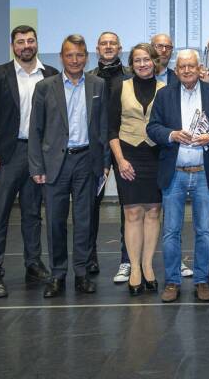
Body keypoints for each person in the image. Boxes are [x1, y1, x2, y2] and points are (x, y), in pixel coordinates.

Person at [0, 25, 57, 298]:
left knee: (33, 214)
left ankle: (33, 264)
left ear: (37, 43)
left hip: (39, 157)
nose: (26, 45)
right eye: (20, 42)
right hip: (7, 156)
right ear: (13, 46)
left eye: (30, 41)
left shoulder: (52, 75)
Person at [29, 35, 109, 297]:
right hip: (55, 164)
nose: (75, 60)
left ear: (87, 57)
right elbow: (36, 129)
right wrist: (37, 166)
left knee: (85, 221)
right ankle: (58, 274)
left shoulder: (98, 84)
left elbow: (104, 127)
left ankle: (82, 273)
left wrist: (105, 163)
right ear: (62, 57)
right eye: (69, 55)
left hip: (87, 161)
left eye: (80, 55)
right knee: (55, 222)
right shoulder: (45, 87)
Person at [146, 49, 209, 302]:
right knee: (171, 231)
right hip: (175, 173)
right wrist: (172, 135)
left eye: (192, 66)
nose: (188, 70)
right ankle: (172, 281)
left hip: (204, 172)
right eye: (183, 67)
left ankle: (202, 280)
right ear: (176, 69)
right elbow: (152, 127)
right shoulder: (164, 94)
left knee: (204, 231)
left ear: (200, 67)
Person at [108, 44, 165, 296]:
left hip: (156, 155)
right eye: (137, 60)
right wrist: (120, 160)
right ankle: (133, 269)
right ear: (132, 63)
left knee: (153, 212)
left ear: (155, 61)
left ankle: (147, 265)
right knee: (132, 213)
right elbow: (110, 128)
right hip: (128, 155)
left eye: (147, 59)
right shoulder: (120, 86)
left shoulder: (166, 90)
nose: (142, 64)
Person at [87, 31, 128, 280]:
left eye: (113, 43)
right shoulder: (88, 78)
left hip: (125, 148)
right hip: (95, 150)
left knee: (129, 206)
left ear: (120, 48)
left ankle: (128, 258)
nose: (109, 46)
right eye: (104, 43)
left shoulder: (131, 77)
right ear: (97, 48)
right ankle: (89, 258)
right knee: (90, 205)